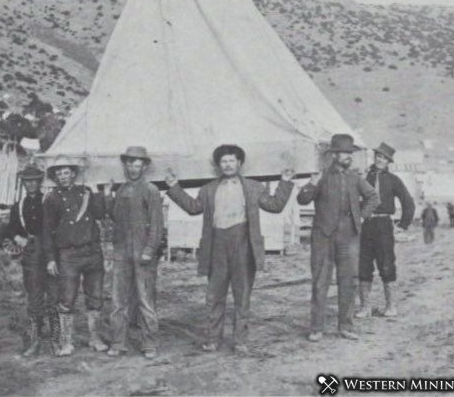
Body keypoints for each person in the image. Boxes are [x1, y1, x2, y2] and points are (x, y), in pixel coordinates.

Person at [165, 144, 294, 353]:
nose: (228, 165)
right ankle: (212, 339)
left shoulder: (253, 187)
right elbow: (192, 208)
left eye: (231, 160)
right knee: (214, 295)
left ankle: (240, 340)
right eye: (224, 161)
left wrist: (285, 182)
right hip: (217, 244)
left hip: (243, 243)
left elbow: (275, 205)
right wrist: (174, 187)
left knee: (242, 295)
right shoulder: (208, 189)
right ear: (218, 165)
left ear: (240, 163)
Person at [297, 134, 379, 341]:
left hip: (349, 235)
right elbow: (302, 199)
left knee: (349, 281)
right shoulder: (321, 176)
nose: (347, 156)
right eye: (343, 153)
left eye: (349, 153)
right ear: (334, 155)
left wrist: (360, 217)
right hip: (323, 235)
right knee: (320, 282)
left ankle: (346, 326)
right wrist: (312, 184)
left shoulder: (355, 177)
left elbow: (373, 197)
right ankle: (316, 328)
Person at [42, 157, 108, 356]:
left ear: (73, 173)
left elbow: (99, 213)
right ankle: (66, 341)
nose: (63, 176)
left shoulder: (86, 192)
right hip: (68, 255)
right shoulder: (52, 198)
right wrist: (51, 259)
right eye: (58, 173)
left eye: (66, 172)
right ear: (55, 177)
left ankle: (95, 338)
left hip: (92, 253)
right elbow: (47, 231)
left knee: (95, 297)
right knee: (67, 299)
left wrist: (96, 191)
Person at [105, 147, 164, 359]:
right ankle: (118, 342)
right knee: (118, 299)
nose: (132, 168)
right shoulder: (121, 190)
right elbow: (114, 216)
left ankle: (149, 344)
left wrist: (149, 250)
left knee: (145, 299)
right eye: (129, 164)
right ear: (125, 165)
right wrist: (107, 195)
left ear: (144, 166)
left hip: (142, 252)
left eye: (137, 164)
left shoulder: (151, 190)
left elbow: (157, 225)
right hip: (122, 250)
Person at [355, 143, 415, 319]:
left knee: (387, 264)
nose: (380, 160)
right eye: (378, 156)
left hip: (383, 226)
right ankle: (365, 308)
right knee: (363, 265)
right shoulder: (363, 177)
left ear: (389, 161)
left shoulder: (393, 180)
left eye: (384, 158)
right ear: (374, 157)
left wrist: (402, 226)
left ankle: (391, 306)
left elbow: (408, 203)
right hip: (364, 225)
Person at [9, 164, 59, 357]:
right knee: (34, 298)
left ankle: (56, 339)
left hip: (51, 253)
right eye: (27, 181)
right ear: (23, 183)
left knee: (54, 296)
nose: (31, 184)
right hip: (31, 254)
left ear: (40, 182)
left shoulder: (50, 201)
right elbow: (11, 228)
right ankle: (35, 341)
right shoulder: (18, 206)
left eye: (34, 181)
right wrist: (17, 237)